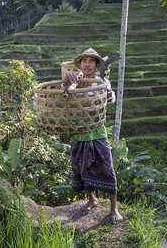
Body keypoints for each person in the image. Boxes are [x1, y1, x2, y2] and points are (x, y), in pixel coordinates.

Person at [64, 48, 123, 224]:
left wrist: (108, 95)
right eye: (84, 61)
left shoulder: (102, 82)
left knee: (107, 168)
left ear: (97, 66)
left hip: (98, 132)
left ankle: (114, 209)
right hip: (78, 132)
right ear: (80, 65)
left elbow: (110, 98)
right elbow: (64, 95)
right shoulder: (73, 80)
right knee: (81, 168)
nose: (87, 64)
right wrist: (67, 83)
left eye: (91, 61)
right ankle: (92, 199)